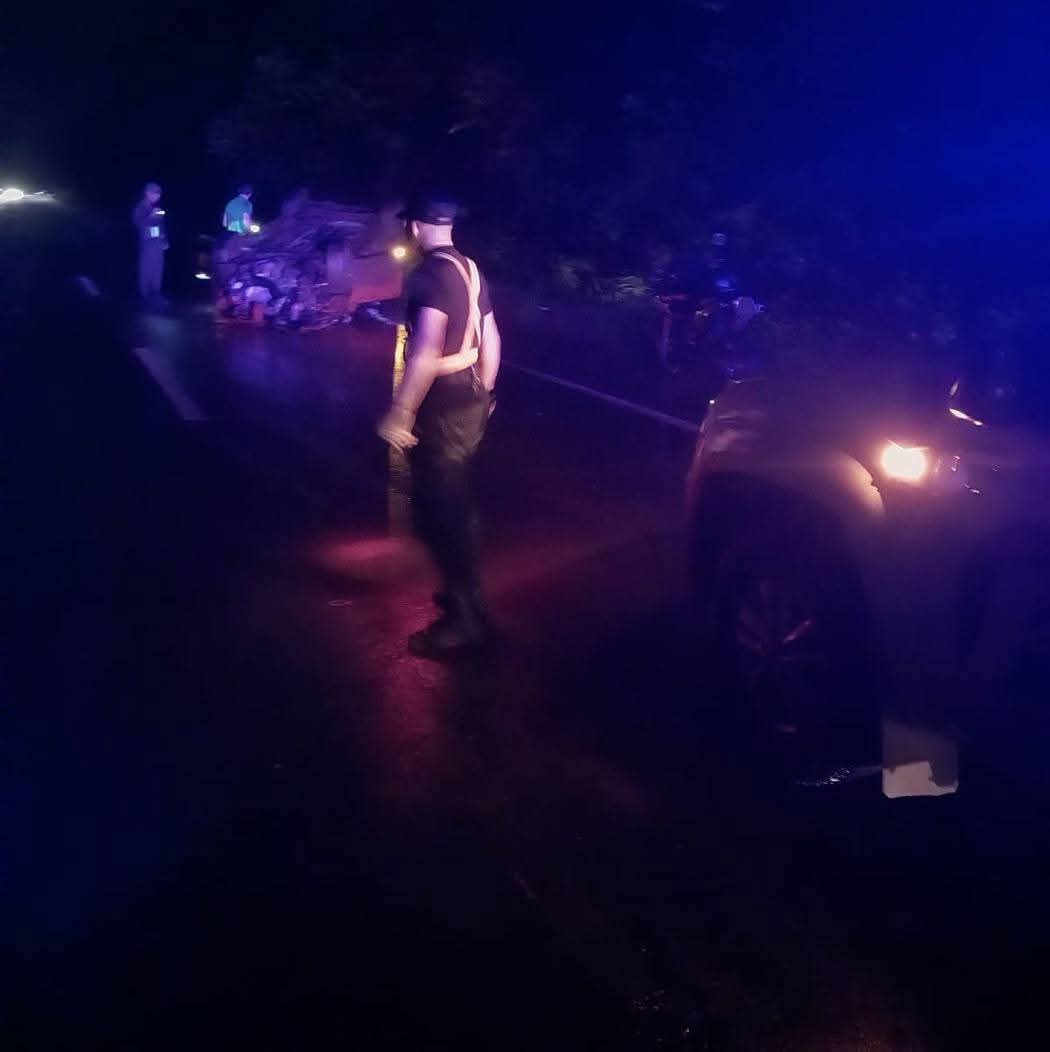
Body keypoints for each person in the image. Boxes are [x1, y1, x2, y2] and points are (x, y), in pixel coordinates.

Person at [377, 196, 501, 659]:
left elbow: (427, 349)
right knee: (459, 503)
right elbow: (491, 337)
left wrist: (402, 411)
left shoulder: (428, 274)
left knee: (439, 510)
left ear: (415, 227)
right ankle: (467, 597)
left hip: (442, 404)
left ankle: (463, 621)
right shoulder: (471, 270)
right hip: (470, 396)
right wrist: (485, 393)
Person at [132, 182, 168, 305]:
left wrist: (164, 239)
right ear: (147, 193)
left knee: (158, 269)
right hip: (147, 244)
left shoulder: (157, 208)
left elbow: (161, 224)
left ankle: (156, 294)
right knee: (146, 268)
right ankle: (145, 296)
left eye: (159, 194)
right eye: (155, 193)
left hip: (157, 244)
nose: (157, 196)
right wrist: (151, 216)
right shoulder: (140, 207)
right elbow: (138, 223)